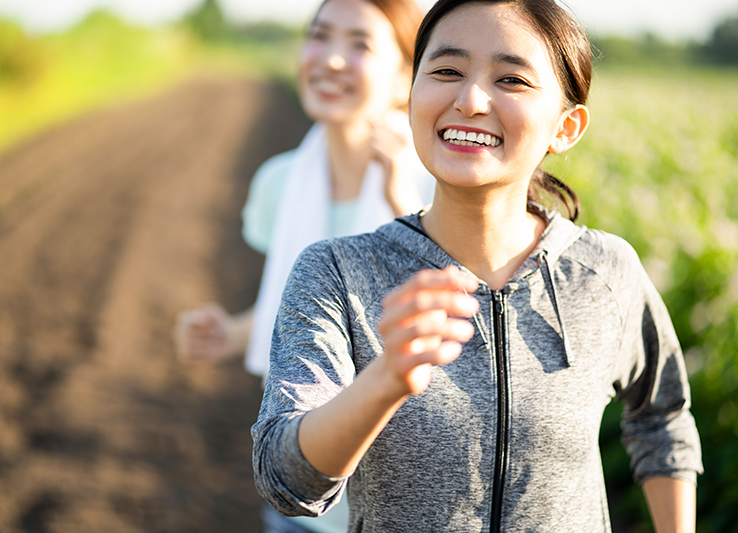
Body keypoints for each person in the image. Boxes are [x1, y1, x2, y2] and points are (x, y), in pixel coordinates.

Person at [252, 0, 704, 531]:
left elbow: (662, 416)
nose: (469, 100)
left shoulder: (605, 272)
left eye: (511, 79)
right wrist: (384, 381)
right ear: (412, 91)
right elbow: (285, 481)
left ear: (567, 126)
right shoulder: (337, 273)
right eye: (446, 71)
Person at [173, 0, 430, 531]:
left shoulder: (436, 186)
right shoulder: (280, 182)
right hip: (303, 493)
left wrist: (403, 200)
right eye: (319, 36)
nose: (330, 59)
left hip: (408, 504)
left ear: (406, 77)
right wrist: (233, 331)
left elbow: (467, 334)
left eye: (359, 44)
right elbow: (297, 318)